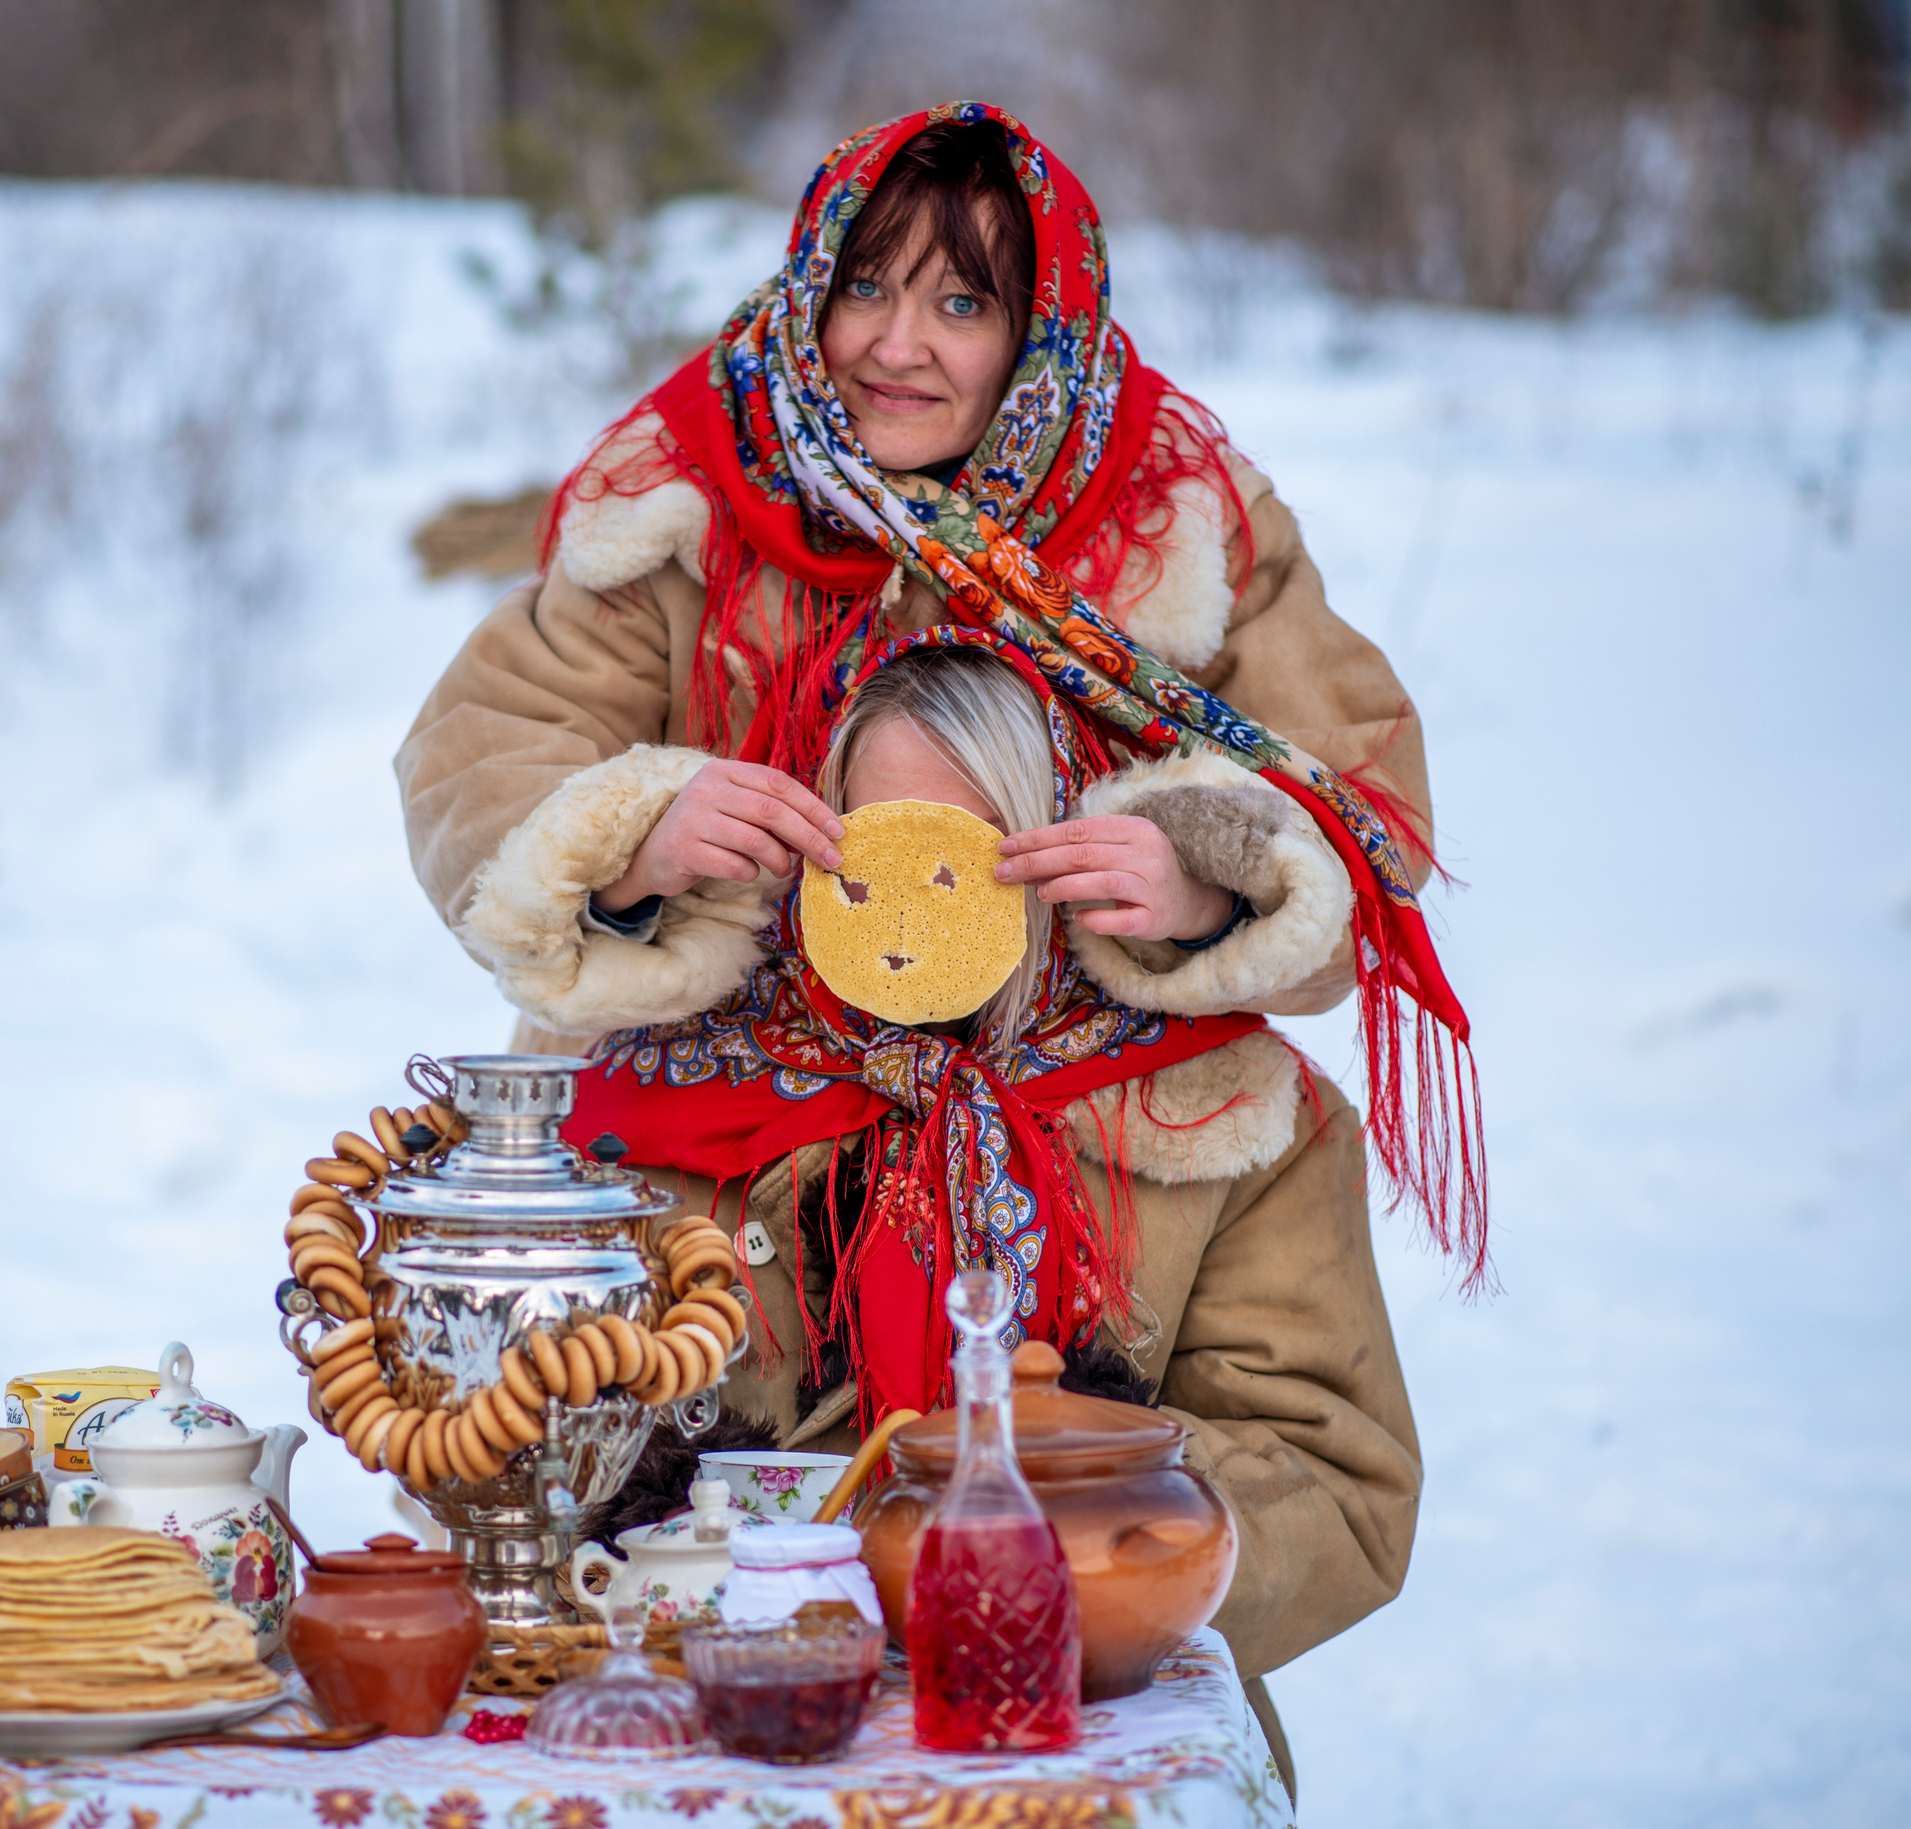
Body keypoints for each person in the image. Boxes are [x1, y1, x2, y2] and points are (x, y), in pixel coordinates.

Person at [396, 103, 1484, 1794]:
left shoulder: (1171, 507)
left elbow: (1365, 805)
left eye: (963, 304)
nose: (896, 346)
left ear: (1039, 329)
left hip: (1073, 1056)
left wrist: (1203, 874)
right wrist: (635, 837)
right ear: (806, 286)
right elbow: (486, 757)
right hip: (747, 1081)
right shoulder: (690, 485)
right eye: (865, 288)